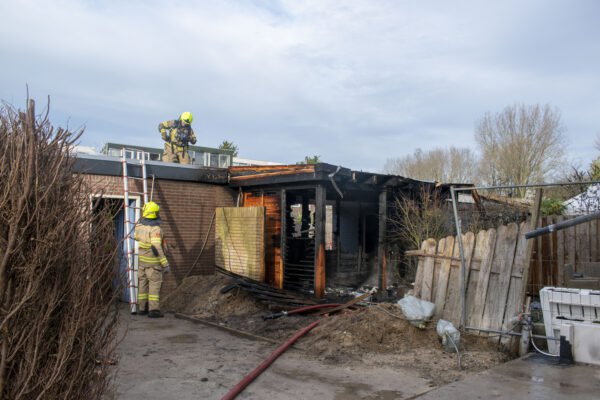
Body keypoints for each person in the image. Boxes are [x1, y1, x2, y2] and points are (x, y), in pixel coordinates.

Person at [134, 201, 170, 318]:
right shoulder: (155, 229)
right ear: (154, 213)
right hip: (153, 265)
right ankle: (154, 310)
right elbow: (157, 247)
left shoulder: (138, 227)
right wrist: (165, 264)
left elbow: (136, 238)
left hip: (142, 264)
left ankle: (142, 308)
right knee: (154, 286)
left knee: (142, 286)